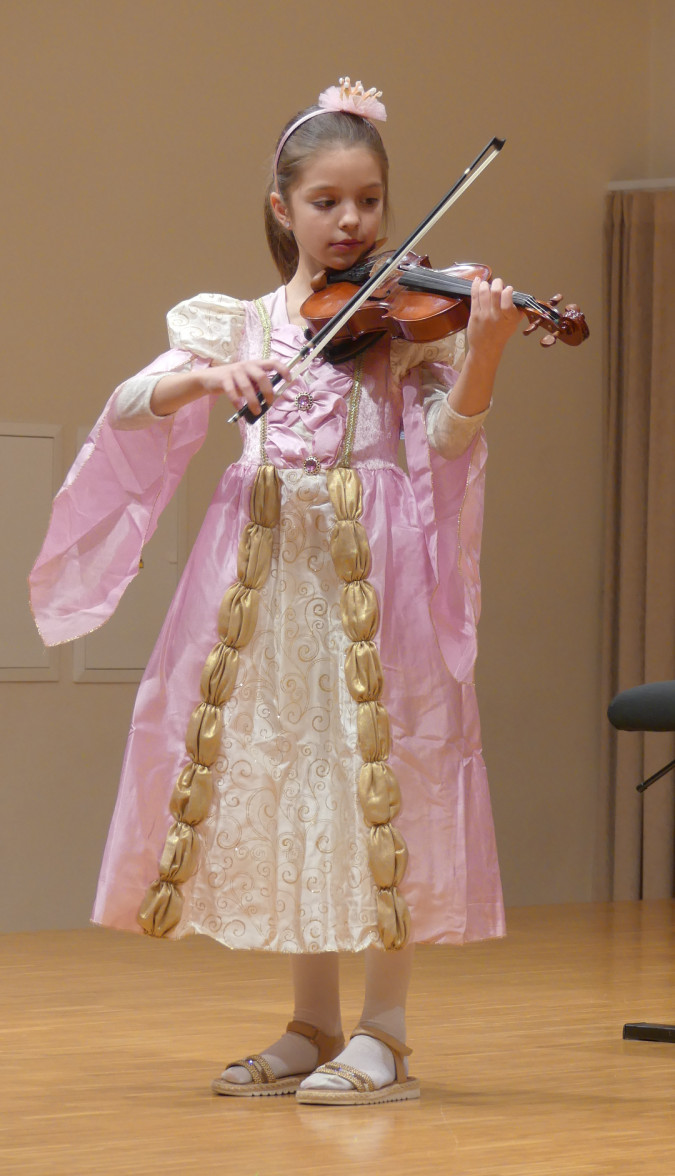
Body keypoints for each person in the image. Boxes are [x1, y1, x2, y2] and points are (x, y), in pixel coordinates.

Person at [30, 77, 522, 1106]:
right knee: (298, 784)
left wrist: (481, 349)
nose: (352, 222)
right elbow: (130, 402)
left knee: (378, 780)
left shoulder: (404, 326)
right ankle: (312, 1024)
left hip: (373, 580)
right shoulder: (243, 322)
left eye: (370, 201)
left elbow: (448, 442)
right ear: (281, 207)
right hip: (263, 587)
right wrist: (207, 379)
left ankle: (385, 1034)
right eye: (326, 201)